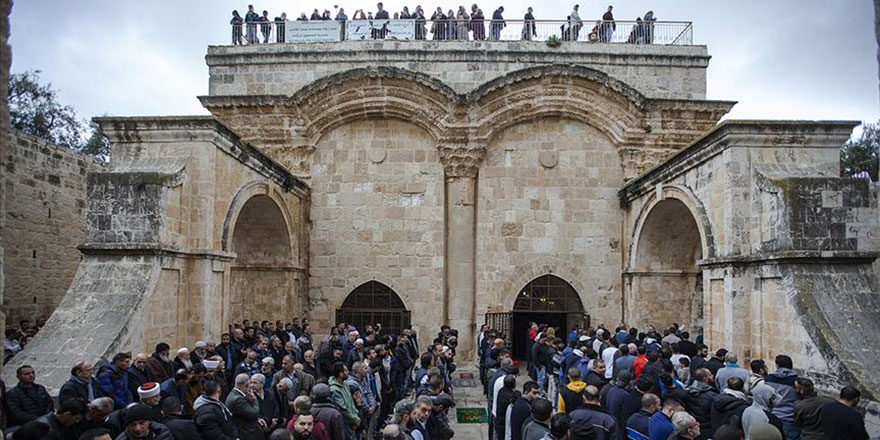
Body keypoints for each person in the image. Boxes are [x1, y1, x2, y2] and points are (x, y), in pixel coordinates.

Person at [764, 355, 800, 440]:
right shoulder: (796, 381)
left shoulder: (769, 379)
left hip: (773, 416)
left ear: (777, 365)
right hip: (789, 417)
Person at [227, 373, 265, 440]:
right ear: (247, 385)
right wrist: (254, 400)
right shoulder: (238, 399)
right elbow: (254, 414)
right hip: (245, 434)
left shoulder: (234, 394)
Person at [685, 368, 717, 438]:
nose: (712, 376)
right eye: (710, 375)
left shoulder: (688, 391)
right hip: (707, 428)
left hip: (694, 426)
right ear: (705, 378)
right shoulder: (712, 395)